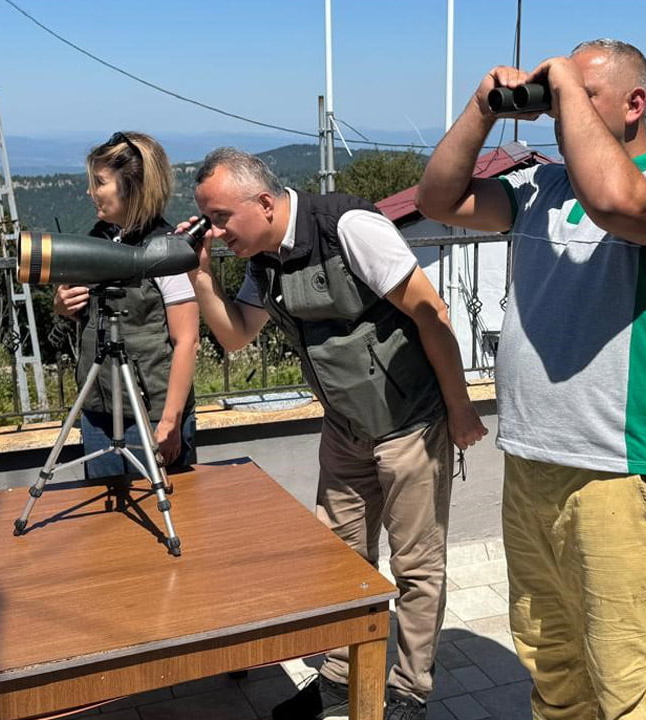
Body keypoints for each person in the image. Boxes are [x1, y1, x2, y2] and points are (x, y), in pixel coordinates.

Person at [416, 39, 646, 720]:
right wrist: (481, 109)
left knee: (626, 681)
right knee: (551, 664)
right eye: (559, 98)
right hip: (530, 465)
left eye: (579, 94)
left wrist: (562, 87)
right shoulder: (540, 188)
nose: (559, 110)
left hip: (615, 474)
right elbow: (440, 198)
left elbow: (615, 197)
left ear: (634, 104)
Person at [185, 147, 487, 720]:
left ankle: (408, 691)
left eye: (222, 217)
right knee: (339, 562)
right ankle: (339, 682)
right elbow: (234, 336)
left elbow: (431, 312)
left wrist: (460, 408)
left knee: (416, 567)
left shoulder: (350, 229)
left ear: (266, 203)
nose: (217, 231)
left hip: (411, 425)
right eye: (210, 220)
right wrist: (200, 273)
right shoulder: (265, 261)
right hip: (345, 430)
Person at [53, 131, 200, 479]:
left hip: (150, 415)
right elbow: (94, 316)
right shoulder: (99, 241)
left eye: (99, 182)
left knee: (166, 515)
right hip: (99, 411)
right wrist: (64, 306)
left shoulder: (166, 253)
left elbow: (187, 341)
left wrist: (170, 421)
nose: (90, 192)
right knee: (106, 526)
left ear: (131, 187)